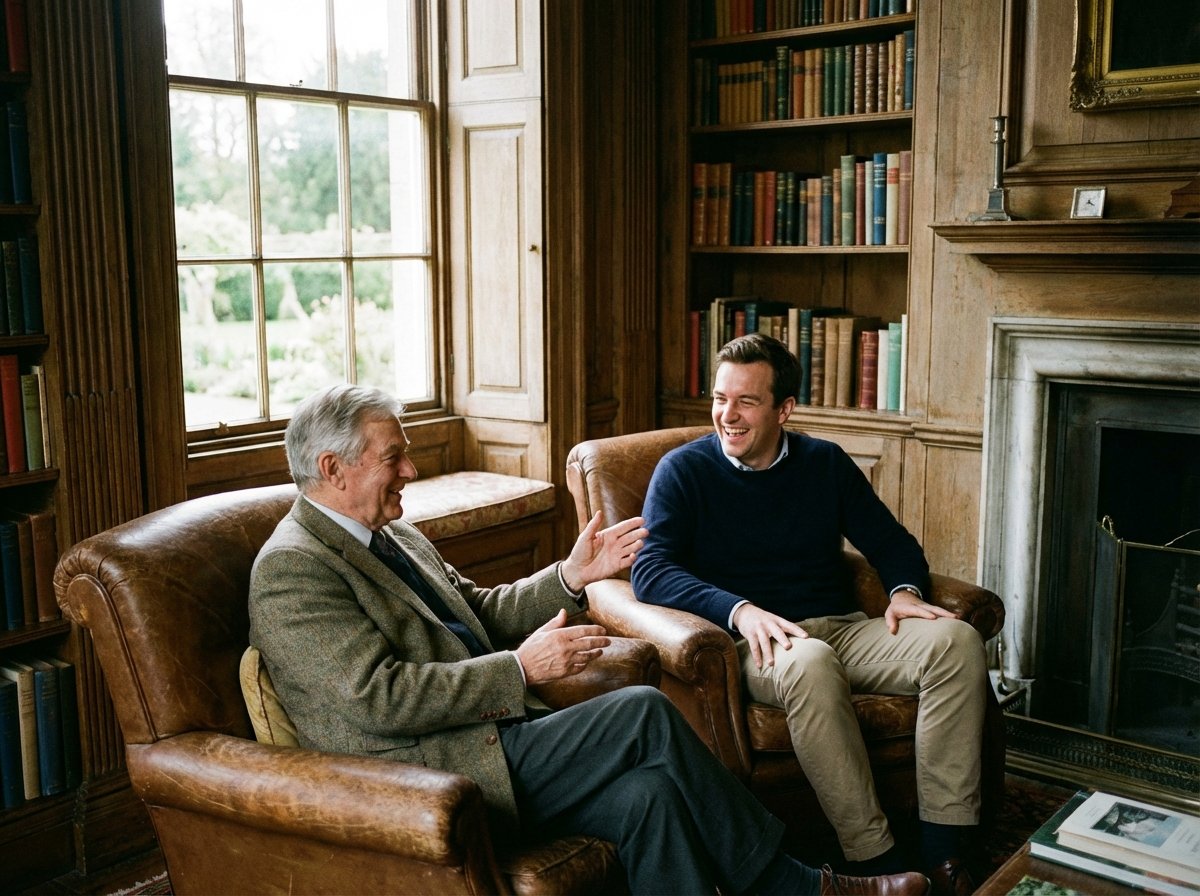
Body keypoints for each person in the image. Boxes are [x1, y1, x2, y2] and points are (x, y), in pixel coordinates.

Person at [248, 383, 930, 896]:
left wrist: (573, 575)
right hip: (426, 775)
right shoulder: (292, 569)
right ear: (333, 469)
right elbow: (376, 700)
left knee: (651, 797)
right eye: (393, 458)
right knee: (642, 709)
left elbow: (478, 610)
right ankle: (797, 886)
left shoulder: (395, 533)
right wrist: (518, 670)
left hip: (490, 740)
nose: (411, 472)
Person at [630, 334, 989, 896]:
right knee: (813, 662)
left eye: (746, 401)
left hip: (842, 626)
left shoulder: (824, 463)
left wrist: (902, 592)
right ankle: (874, 861)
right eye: (721, 398)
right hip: (758, 645)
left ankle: (945, 851)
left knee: (957, 642)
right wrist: (738, 611)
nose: (728, 415)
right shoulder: (684, 471)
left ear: (784, 409)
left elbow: (892, 542)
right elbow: (649, 572)